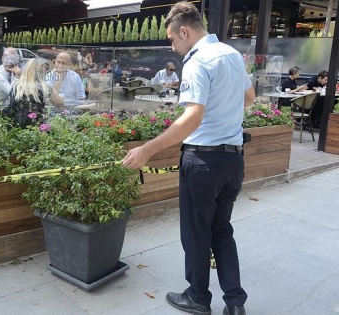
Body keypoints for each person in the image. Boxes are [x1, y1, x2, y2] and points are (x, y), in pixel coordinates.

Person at [122, 2, 255, 315]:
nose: (173, 46)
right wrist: (224, 119)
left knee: (196, 234)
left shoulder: (197, 61)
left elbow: (192, 116)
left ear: (184, 30)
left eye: (172, 39)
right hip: (233, 161)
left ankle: (197, 296)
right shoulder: (232, 54)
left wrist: (146, 150)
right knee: (222, 230)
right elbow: (248, 98)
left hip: (203, 162)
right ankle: (235, 304)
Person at [9, 58, 64, 128]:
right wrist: (59, 81)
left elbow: (11, 104)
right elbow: (60, 102)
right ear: (42, 71)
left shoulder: (15, 86)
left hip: (17, 125)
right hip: (37, 126)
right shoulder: (45, 88)